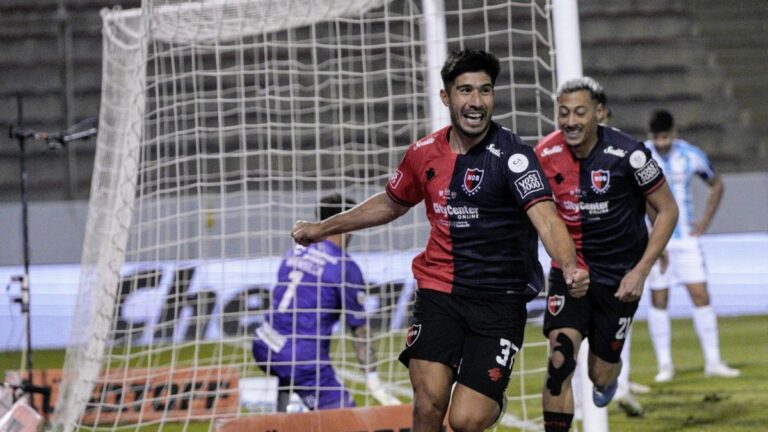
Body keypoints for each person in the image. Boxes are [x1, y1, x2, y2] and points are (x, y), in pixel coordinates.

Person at [292, 49, 589, 432]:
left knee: (466, 420)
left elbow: (546, 218)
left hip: (500, 299)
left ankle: (492, 403)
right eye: (465, 90)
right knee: (428, 403)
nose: (476, 102)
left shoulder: (513, 156)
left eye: (485, 91)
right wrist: (324, 228)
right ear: (446, 97)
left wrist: (569, 265)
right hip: (440, 291)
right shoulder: (422, 153)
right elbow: (391, 201)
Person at [534, 77, 678, 431]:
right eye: (563, 113)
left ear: (599, 113)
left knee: (599, 374)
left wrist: (641, 270)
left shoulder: (631, 154)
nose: (570, 121)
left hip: (619, 276)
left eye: (579, 112)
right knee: (559, 359)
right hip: (570, 271)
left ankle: (610, 376)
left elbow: (668, 210)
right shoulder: (544, 154)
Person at [252, 193, 400, 411]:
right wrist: (374, 381)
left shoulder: (295, 251)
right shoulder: (344, 267)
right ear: (347, 224)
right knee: (344, 418)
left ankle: (284, 415)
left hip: (264, 342)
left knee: (289, 383)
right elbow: (360, 331)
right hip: (301, 359)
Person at [643, 109, 739, 382]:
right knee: (659, 299)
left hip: (685, 239)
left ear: (674, 133)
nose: (661, 142)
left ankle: (713, 361)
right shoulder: (641, 156)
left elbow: (716, 183)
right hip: (655, 241)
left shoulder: (690, 154)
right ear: (652, 136)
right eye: (657, 137)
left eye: (665, 136)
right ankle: (665, 365)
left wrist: (704, 222)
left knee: (701, 295)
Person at [595, 91, 649, 418]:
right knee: (567, 342)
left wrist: (648, 258)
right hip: (583, 265)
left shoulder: (626, 154)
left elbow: (653, 205)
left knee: (614, 333)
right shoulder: (563, 156)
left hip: (620, 263)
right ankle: (577, 407)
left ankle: (621, 384)